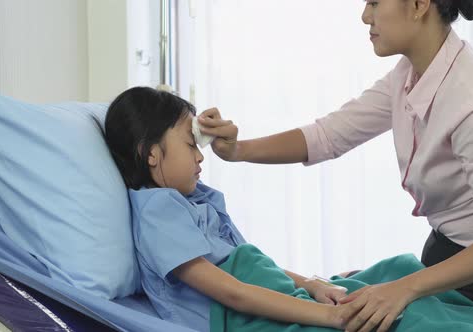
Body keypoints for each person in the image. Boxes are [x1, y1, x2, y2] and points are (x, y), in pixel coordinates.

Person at [195, 0, 473, 331]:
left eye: (375, 2)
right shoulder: (411, 74)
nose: (366, 16)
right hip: (445, 252)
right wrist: (237, 150)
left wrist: (403, 289)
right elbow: (328, 136)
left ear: (420, 4)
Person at [103, 86, 354, 332]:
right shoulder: (158, 213)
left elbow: (254, 265)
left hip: (273, 302)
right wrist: (331, 315)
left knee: (372, 292)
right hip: (242, 319)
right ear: (150, 153)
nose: (200, 157)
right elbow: (234, 293)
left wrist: (312, 285)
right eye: (191, 145)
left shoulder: (195, 200)